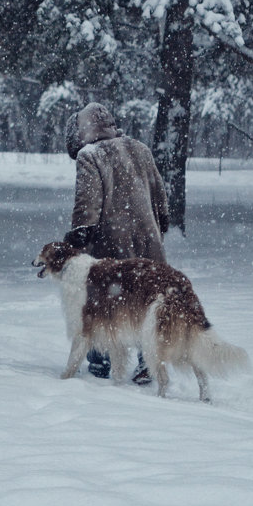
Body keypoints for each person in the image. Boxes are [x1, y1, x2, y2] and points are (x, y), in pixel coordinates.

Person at [63, 102, 169, 383]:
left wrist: (79, 235)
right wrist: (160, 224)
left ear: (79, 134)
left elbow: (87, 203)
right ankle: (149, 361)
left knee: (103, 303)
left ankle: (101, 362)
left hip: (112, 246)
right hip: (148, 244)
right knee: (148, 303)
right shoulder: (140, 148)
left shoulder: (90, 154)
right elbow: (159, 194)